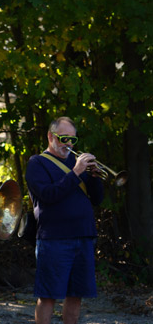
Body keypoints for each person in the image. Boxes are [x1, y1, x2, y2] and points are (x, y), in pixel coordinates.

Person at [25, 116, 104, 324]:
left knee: (76, 295)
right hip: (54, 237)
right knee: (48, 295)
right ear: (50, 136)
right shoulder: (37, 163)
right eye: (63, 138)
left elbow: (97, 200)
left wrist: (94, 178)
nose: (68, 144)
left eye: (72, 140)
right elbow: (48, 195)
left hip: (84, 235)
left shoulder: (75, 162)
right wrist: (76, 171)